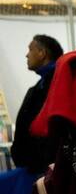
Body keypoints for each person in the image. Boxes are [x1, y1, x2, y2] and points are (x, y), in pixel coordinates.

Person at [10, 34, 63, 173]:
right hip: (36, 167)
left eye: (30, 49)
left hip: (47, 169)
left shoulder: (57, 82)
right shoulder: (39, 86)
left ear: (42, 53)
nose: (27, 55)